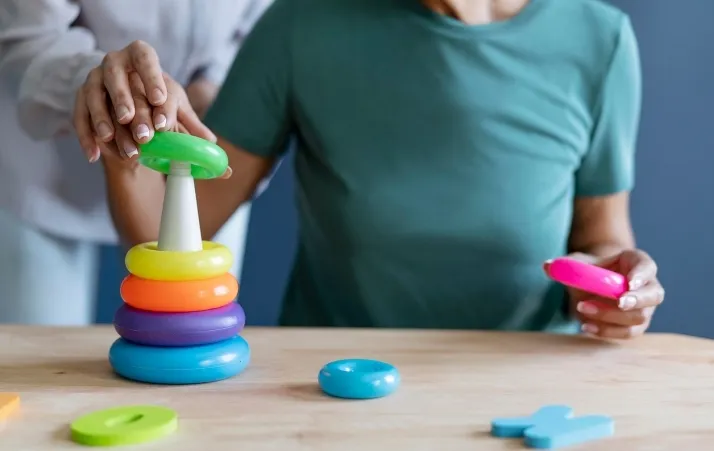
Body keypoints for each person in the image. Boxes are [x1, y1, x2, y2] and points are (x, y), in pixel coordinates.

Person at [75, 0, 665, 338]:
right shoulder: (302, 24)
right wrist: (130, 141)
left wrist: (617, 289)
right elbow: (166, 232)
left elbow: (602, 235)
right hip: (334, 386)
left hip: (525, 387)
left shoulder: (600, 39)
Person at [0, 0, 271, 325]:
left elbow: (263, 28)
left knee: (194, 330)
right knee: (42, 344)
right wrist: (98, 88)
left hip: (199, 142)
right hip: (48, 164)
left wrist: (215, 81)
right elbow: (27, 35)